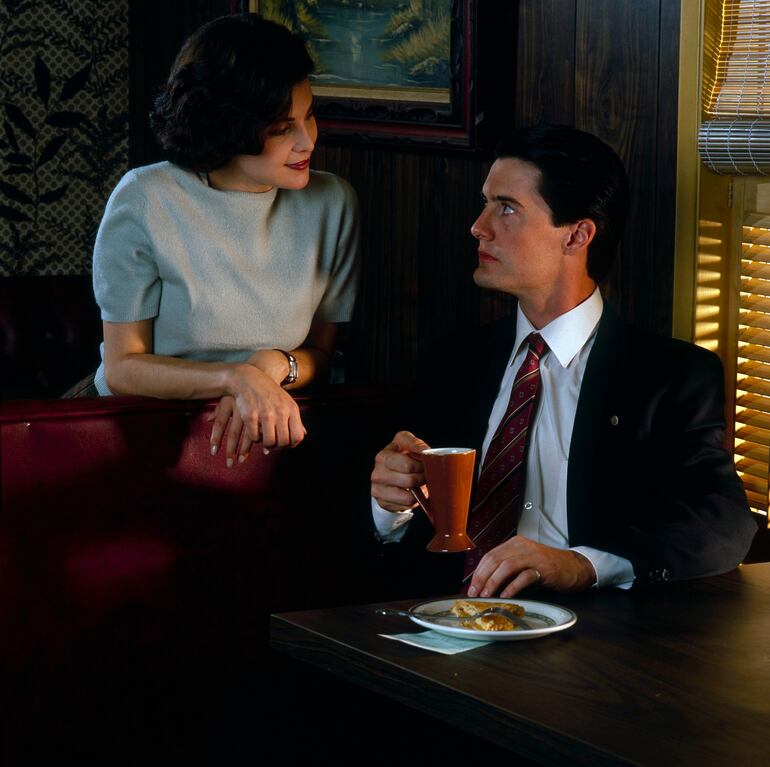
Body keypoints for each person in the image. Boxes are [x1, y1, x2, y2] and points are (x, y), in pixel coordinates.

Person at [370, 125, 757, 597]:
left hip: (589, 628)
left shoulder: (670, 377)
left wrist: (581, 565)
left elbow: (723, 522)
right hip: (449, 621)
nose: (479, 226)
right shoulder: (453, 362)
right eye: (486, 202)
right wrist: (389, 507)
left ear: (576, 235)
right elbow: (397, 540)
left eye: (506, 208)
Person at [81, 14, 359, 464]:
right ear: (228, 126)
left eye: (309, 115)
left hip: (264, 435)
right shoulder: (145, 198)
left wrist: (272, 366)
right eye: (282, 129)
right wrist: (235, 378)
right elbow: (124, 368)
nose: (308, 142)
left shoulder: (333, 203)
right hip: (128, 429)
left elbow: (323, 355)